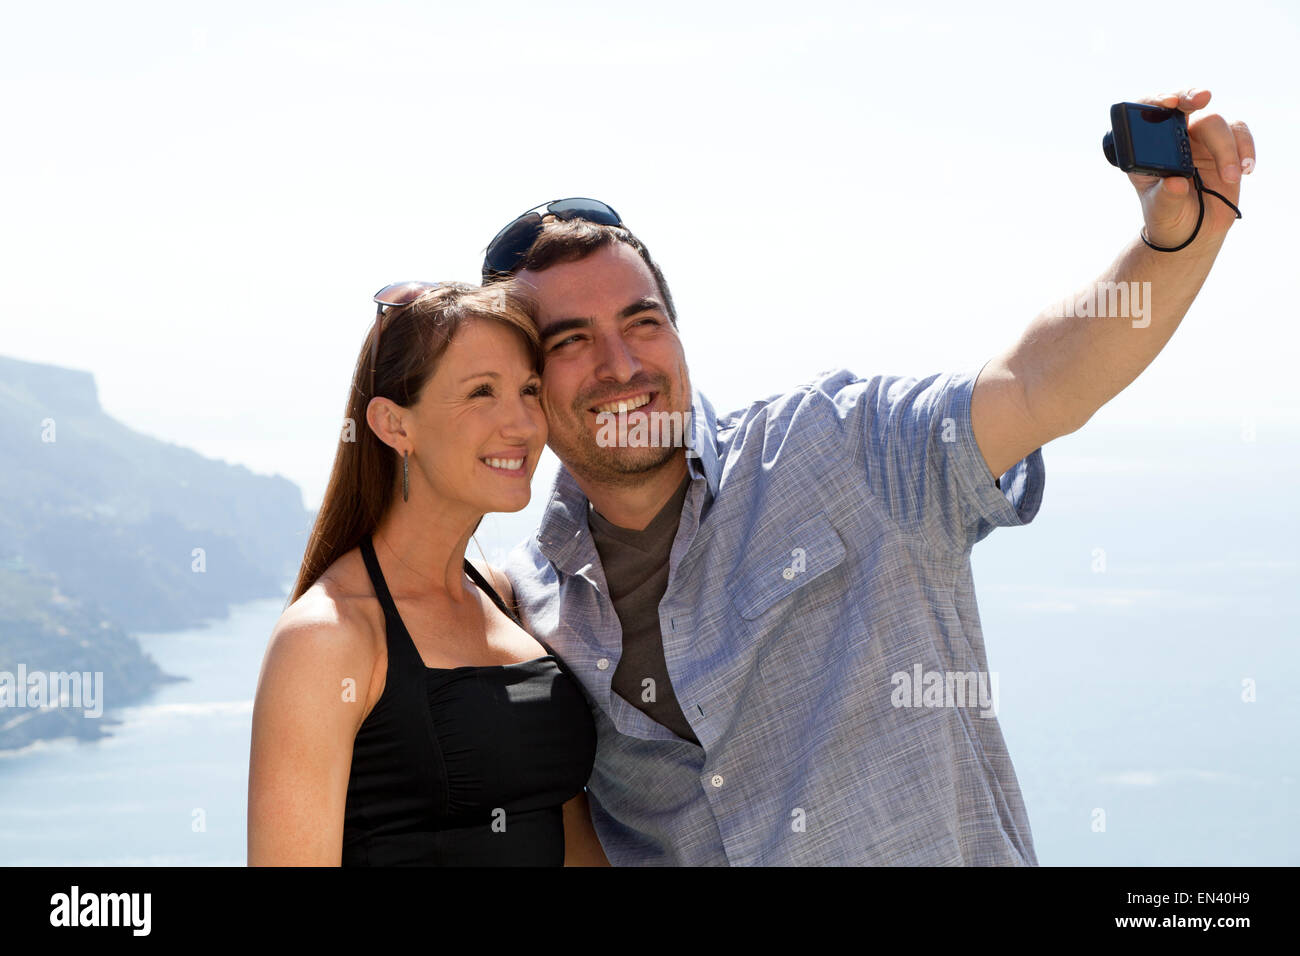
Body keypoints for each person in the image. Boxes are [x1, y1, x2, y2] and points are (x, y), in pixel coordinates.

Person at [481, 88, 1255, 865]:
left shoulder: (845, 445)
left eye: (642, 322)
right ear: (525, 385)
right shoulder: (525, 610)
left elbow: (1033, 385)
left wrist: (1174, 244)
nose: (622, 366)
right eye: (571, 341)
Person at [247, 280, 607, 866]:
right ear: (395, 426)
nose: (521, 424)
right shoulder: (327, 639)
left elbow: (571, 839)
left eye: (529, 390)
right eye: (481, 393)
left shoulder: (507, 598)